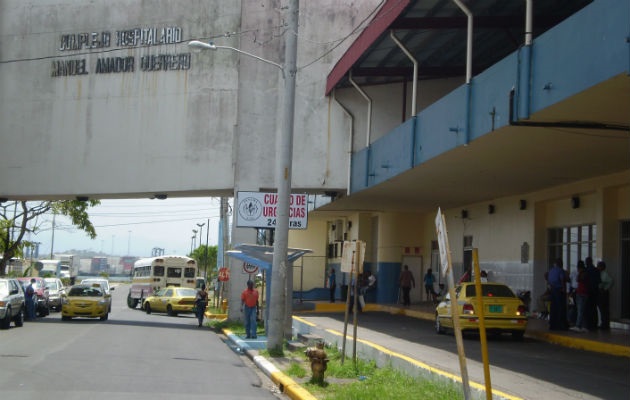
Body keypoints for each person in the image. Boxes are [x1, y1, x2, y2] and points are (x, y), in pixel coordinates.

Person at [547, 258, 568, 330]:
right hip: (559, 291)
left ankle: (552, 324)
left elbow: (548, 279)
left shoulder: (551, 270)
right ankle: (560, 325)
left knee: (553, 308)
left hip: (553, 290)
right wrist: (564, 289)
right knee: (560, 308)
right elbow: (562, 280)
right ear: (560, 264)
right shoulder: (560, 270)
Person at [570, 261, 588, 333]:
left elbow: (578, 279)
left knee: (580, 310)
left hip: (581, 293)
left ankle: (578, 325)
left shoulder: (583, 273)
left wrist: (579, 274)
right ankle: (584, 326)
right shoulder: (585, 272)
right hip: (582, 293)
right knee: (582, 310)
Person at [584, 257, 600, 331]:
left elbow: (584, 281)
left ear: (587, 262)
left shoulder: (586, 270)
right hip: (595, 292)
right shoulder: (596, 270)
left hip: (588, 292)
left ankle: (589, 324)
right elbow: (599, 281)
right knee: (594, 308)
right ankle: (594, 324)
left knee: (588, 308)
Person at [597, 260, 613, 330]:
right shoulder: (600, 273)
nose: (597, 267)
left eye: (599, 266)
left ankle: (605, 324)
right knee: (602, 309)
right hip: (600, 292)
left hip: (603, 293)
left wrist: (605, 288)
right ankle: (604, 323)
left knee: (604, 309)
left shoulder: (605, 274)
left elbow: (611, 281)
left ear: (602, 267)